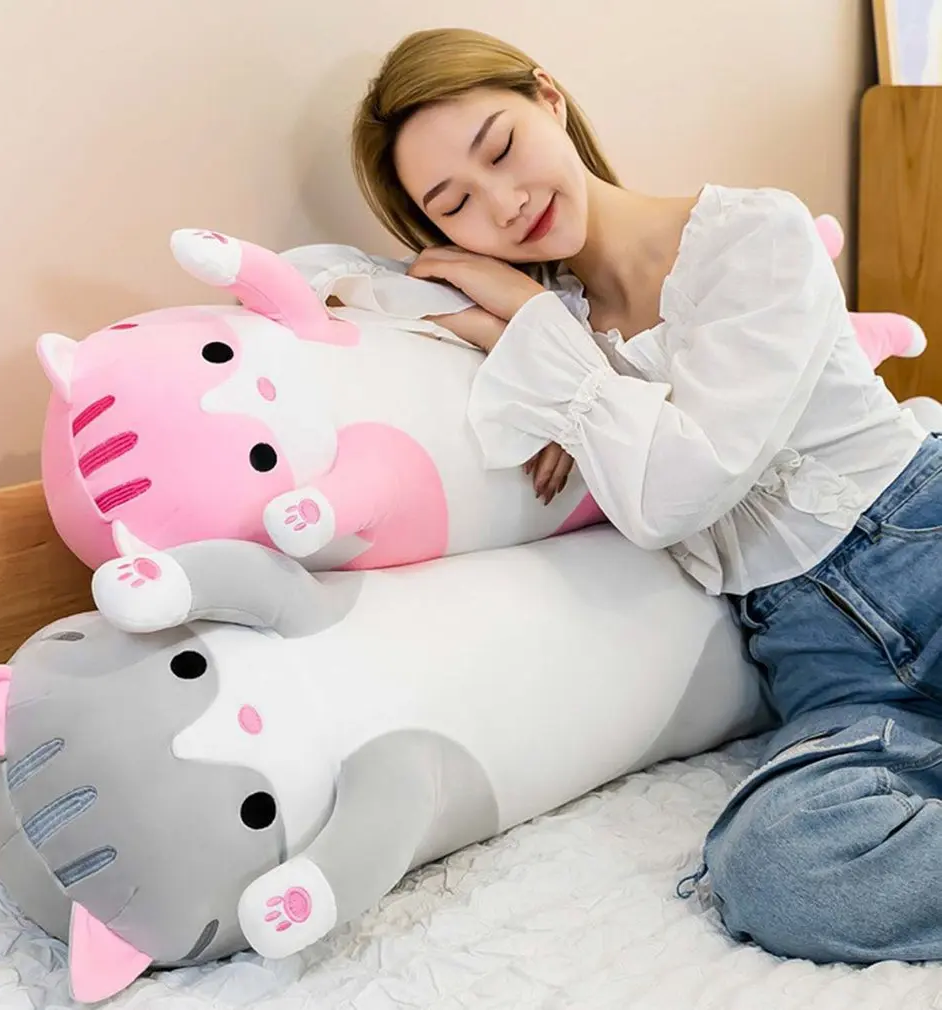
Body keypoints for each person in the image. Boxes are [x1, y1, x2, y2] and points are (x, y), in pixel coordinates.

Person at [350, 26, 942, 965]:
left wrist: (543, 343)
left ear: (549, 97)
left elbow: (684, 484)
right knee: (776, 868)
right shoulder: (551, 333)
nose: (504, 204)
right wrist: (542, 341)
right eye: (455, 205)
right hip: (820, 659)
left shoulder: (752, 234)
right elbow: (345, 293)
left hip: (922, 540)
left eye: (501, 148)